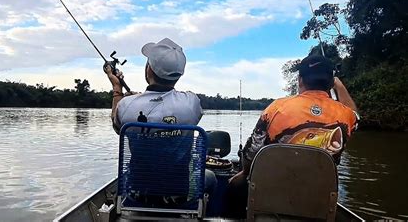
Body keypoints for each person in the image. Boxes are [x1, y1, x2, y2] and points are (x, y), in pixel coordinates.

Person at [225, 54, 359, 218]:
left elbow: (250, 153)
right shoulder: (346, 116)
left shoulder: (277, 108)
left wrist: (245, 173)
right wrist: (339, 85)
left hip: (272, 196)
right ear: (330, 82)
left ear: (300, 80)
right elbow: (355, 115)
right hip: (316, 203)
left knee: (234, 187)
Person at [104, 37, 217, 196]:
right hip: (178, 195)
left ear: (149, 69)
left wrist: (117, 88)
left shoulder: (126, 105)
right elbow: (163, 104)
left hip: (137, 194)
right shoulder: (191, 103)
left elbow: (117, 127)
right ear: (178, 75)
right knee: (211, 177)